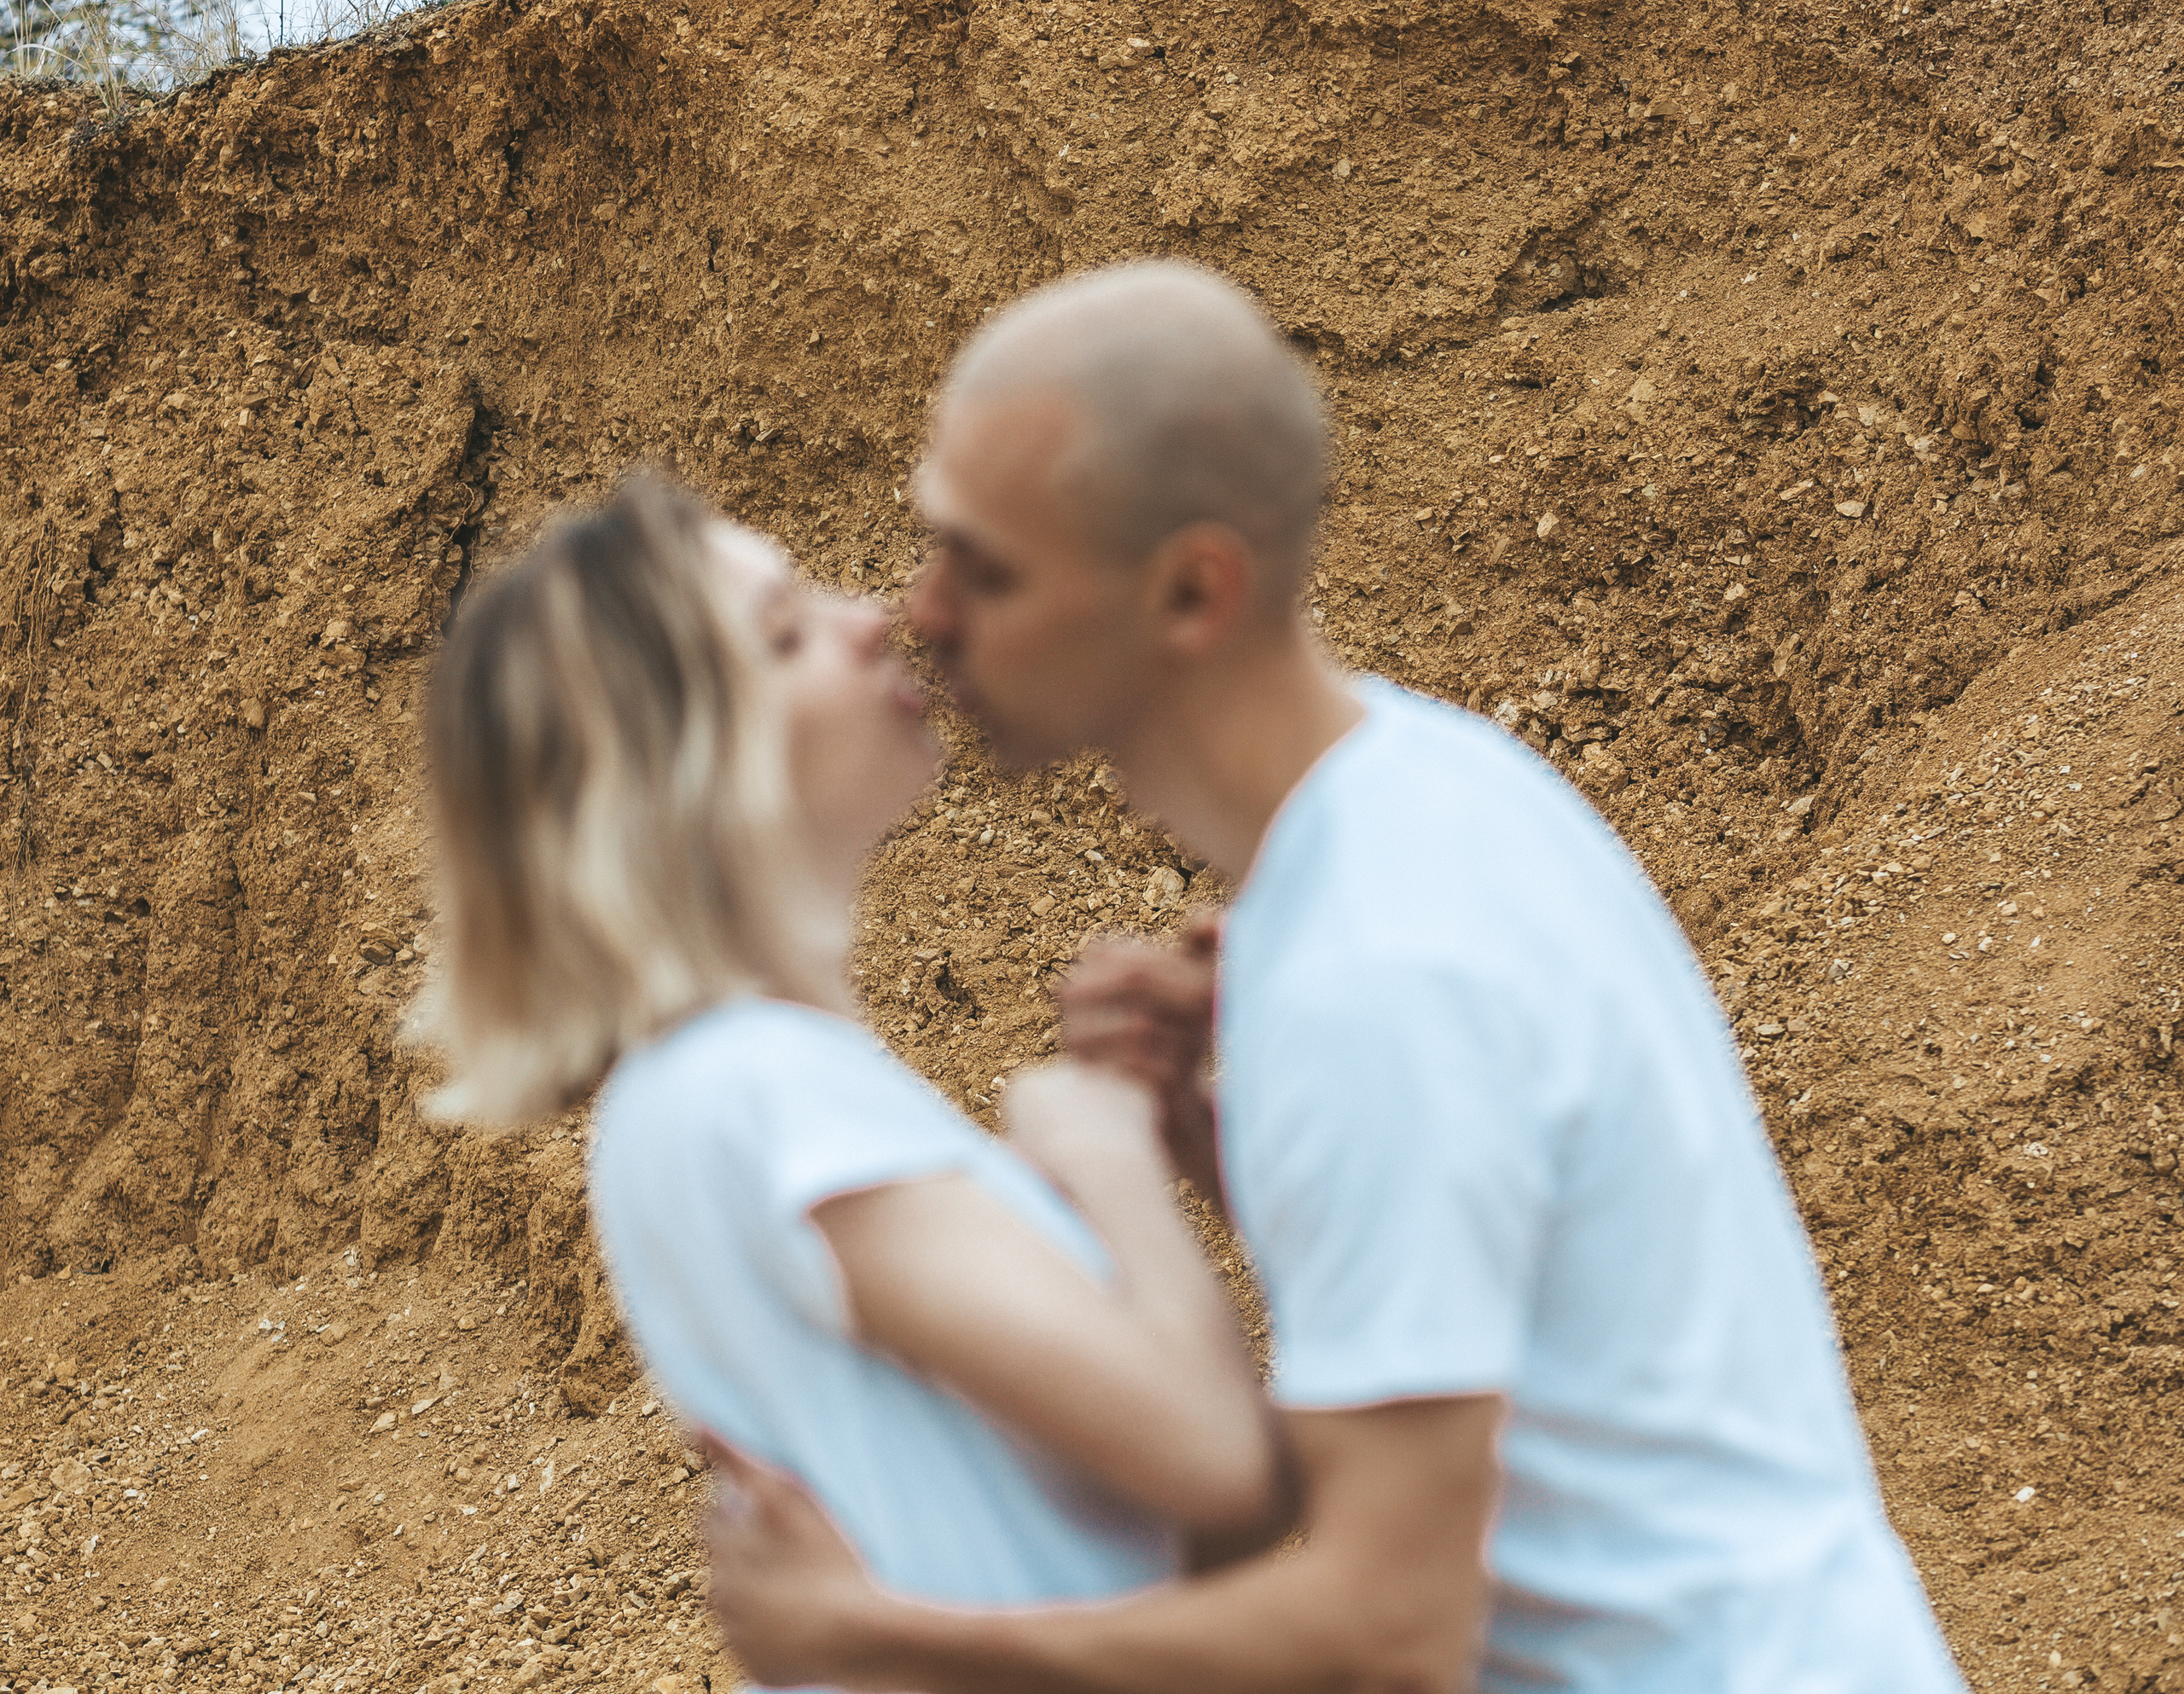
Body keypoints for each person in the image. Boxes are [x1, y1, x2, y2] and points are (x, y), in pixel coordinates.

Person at [700, 262, 1967, 1692]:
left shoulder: (1375, 971)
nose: (920, 614)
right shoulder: (1425, 795)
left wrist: (873, 1634)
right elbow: (1501, 1305)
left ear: (1191, 591)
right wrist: (1216, 1139)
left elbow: (1386, 1632)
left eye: (985, 568)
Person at [412, 478, 1292, 1667]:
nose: (868, 619)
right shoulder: (760, 1089)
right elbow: (1212, 1455)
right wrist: (1106, 1152)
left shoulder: (687, 1102)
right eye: (785, 634)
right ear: (685, 776)